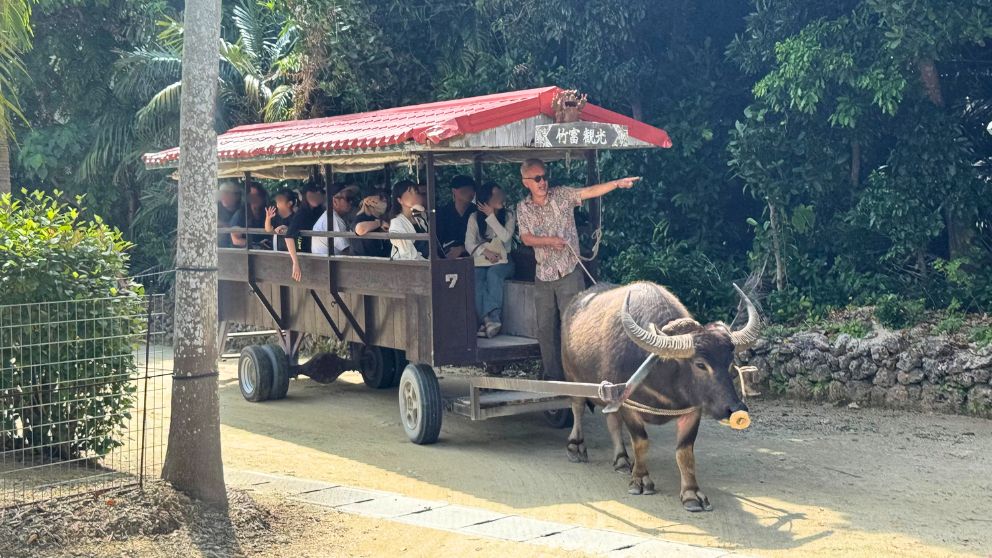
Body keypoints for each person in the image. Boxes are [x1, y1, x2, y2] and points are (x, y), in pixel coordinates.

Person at [515, 158, 640, 380]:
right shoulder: (523, 207)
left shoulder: (562, 195)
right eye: (537, 179)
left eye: (544, 176)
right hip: (543, 275)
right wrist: (550, 241)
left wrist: (617, 183)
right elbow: (525, 238)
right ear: (526, 182)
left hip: (569, 272)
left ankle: (578, 377)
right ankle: (554, 379)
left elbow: (589, 191)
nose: (542, 182)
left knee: (573, 325)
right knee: (545, 330)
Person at [465, 182, 516, 338]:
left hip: (505, 261)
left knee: (494, 275)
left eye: (501, 194)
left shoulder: (509, 215)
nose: (500, 198)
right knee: (476, 277)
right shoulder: (474, 217)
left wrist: (491, 216)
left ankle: (492, 318)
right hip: (482, 260)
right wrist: (485, 251)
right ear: (486, 199)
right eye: (495, 195)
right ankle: (486, 321)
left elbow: (506, 237)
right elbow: (469, 243)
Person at [436, 174, 476, 258]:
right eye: (465, 190)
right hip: (448, 256)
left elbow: (483, 239)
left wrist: (462, 248)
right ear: (454, 191)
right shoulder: (443, 213)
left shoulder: (477, 211)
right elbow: (438, 240)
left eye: (472, 190)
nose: (470, 193)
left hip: (473, 256)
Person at [389, 180, 429, 260]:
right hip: (410, 268)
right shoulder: (397, 223)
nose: (416, 194)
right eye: (411, 192)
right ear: (400, 200)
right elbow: (407, 255)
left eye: (416, 191)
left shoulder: (419, 218)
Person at [312, 186, 359, 255]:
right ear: (335, 201)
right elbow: (346, 250)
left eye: (352, 198)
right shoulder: (334, 219)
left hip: (324, 262)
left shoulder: (330, 215)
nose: (351, 201)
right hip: (330, 264)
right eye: (348, 199)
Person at [286, 180, 325, 254]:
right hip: (304, 252)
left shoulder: (320, 212)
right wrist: (295, 262)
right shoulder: (301, 214)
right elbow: (289, 236)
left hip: (319, 251)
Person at [230, 182, 270, 248]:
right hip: (243, 254)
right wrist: (256, 244)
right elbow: (236, 240)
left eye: (257, 195)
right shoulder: (240, 214)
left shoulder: (266, 213)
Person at [351, 193, 391, 258]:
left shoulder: (376, 218)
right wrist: (380, 223)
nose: (384, 200)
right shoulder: (360, 218)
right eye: (380, 198)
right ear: (369, 201)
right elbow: (360, 229)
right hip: (363, 264)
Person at [217, 180, 242, 248]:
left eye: (227, 194)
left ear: (236, 196)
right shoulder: (216, 208)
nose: (223, 197)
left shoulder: (243, 210)